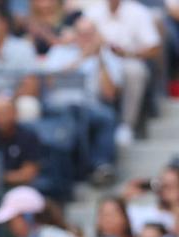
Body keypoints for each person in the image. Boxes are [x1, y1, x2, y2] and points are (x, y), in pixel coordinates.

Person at [42, 16, 121, 181]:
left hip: (90, 107)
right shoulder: (59, 51)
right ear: (74, 34)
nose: (86, 38)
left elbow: (110, 93)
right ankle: (73, 172)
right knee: (72, 117)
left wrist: (99, 59)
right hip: (60, 105)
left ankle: (100, 165)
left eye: (90, 34)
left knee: (107, 116)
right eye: (82, 34)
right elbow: (50, 82)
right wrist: (82, 57)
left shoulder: (105, 56)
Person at [84, 0, 161, 145]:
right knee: (88, 71)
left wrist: (127, 53)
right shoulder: (93, 12)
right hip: (97, 60)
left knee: (134, 72)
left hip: (128, 59)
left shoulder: (138, 12)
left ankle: (127, 125)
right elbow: (81, 37)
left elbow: (154, 47)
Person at [0, 95, 43, 187]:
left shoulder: (28, 136)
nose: (1, 117)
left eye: (4, 113)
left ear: (15, 113)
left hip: (19, 187)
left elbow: (28, 174)